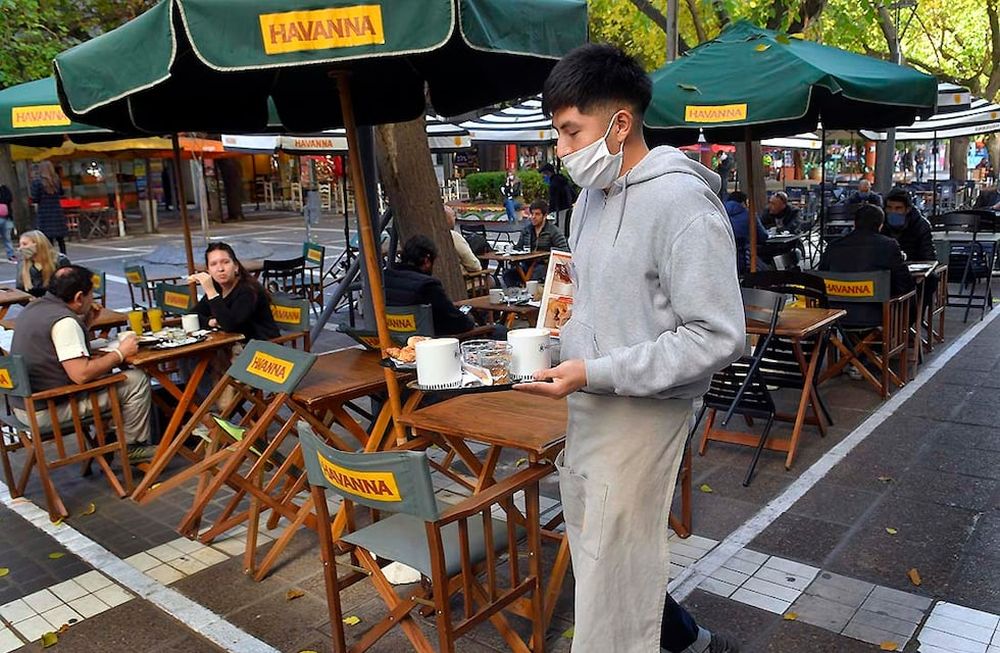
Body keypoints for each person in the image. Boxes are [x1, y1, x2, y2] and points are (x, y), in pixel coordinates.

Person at [516, 44, 745, 653]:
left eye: (570, 132)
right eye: (557, 133)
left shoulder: (681, 203)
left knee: (614, 562)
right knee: (601, 551)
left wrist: (597, 367)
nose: (562, 150)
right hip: (587, 397)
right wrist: (548, 345)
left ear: (619, 123)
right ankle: (690, 640)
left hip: (647, 409)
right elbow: (584, 299)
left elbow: (718, 334)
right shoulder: (590, 199)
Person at [9, 266, 155, 462]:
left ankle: (110, 437)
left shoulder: (36, 307)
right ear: (79, 297)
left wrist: (87, 324)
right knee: (135, 380)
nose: (92, 300)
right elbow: (81, 375)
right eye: (90, 296)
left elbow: (60, 348)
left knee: (107, 374)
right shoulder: (64, 322)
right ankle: (132, 446)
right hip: (47, 409)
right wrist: (121, 353)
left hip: (22, 405)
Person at [818, 204, 915, 327]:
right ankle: (904, 335)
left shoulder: (834, 246)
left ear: (855, 223)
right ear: (880, 225)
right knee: (910, 293)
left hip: (835, 314)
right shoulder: (889, 246)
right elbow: (904, 283)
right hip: (876, 314)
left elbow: (822, 277)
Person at [384, 235, 480, 336]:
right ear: (427, 260)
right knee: (496, 330)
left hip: (393, 340)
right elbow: (457, 321)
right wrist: (471, 321)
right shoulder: (427, 285)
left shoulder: (385, 278)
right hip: (429, 344)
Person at [189, 242, 279, 341]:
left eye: (225, 262)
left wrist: (210, 291)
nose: (220, 269)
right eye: (213, 264)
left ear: (236, 266)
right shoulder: (218, 288)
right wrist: (211, 322)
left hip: (263, 348)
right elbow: (192, 315)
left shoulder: (248, 290)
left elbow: (229, 325)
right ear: (208, 271)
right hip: (233, 345)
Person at [883, 189, 935, 262]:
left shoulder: (920, 226)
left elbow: (928, 255)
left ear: (908, 209)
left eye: (898, 208)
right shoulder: (880, 223)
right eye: (889, 208)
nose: (893, 212)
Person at [724, 191, 768, 275]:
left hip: (725, 261)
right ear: (743, 203)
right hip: (744, 261)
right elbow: (763, 236)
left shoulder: (720, 214)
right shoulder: (750, 215)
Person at [16, 230, 71, 297]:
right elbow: (20, 288)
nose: (21, 248)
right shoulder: (22, 263)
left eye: (25, 244)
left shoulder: (60, 261)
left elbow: (67, 287)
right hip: (32, 303)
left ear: (38, 244)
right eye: (20, 245)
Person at [30, 161, 68, 255]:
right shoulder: (56, 181)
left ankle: (51, 257)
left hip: (45, 212)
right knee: (60, 239)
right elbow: (62, 193)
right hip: (56, 211)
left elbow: (35, 198)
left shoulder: (37, 182)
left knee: (48, 238)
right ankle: (64, 256)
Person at [444, 205, 483, 276]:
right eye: (453, 216)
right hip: (462, 280)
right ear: (447, 219)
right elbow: (474, 266)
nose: (455, 219)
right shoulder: (454, 236)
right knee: (495, 280)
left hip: (440, 279)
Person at [540, 162, 576, 237]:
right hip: (567, 206)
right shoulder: (562, 180)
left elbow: (554, 199)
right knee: (566, 227)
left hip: (560, 208)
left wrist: (549, 210)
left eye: (544, 174)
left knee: (561, 229)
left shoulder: (554, 183)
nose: (543, 176)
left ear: (548, 173)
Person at [0, 183, 15, 262]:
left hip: (6, 217)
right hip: (5, 216)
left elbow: (9, 198)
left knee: (7, 237)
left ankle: (11, 254)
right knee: (7, 237)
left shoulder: (4, 189)